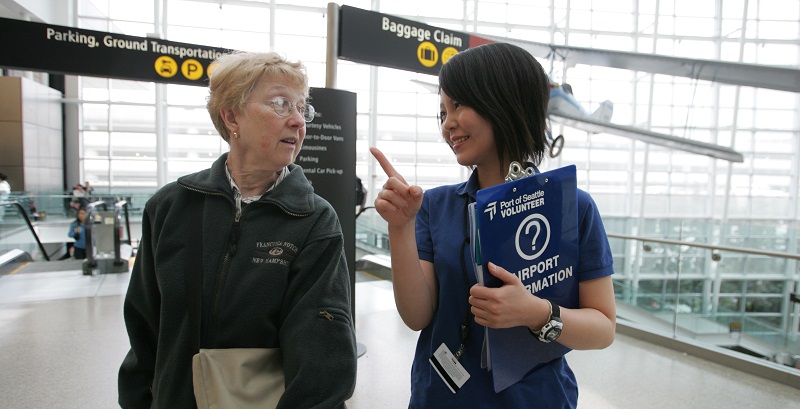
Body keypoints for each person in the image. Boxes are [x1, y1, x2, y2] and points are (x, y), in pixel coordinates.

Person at [370, 42, 616, 408]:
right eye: (442, 112)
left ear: (504, 101)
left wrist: (535, 312)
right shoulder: (434, 206)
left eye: (459, 105)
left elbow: (603, 328)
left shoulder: (571, 208)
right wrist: (400, 228)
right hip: (442, 397)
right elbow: (417, 315)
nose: (448, 124)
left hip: (536, 399)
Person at [118, 51, 357, 409]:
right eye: (280, 104)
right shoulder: (170, 207)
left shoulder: (313, 220)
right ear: (231, 116)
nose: (297, 121)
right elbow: (144, 326)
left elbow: (322, 353)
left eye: (302, 108)